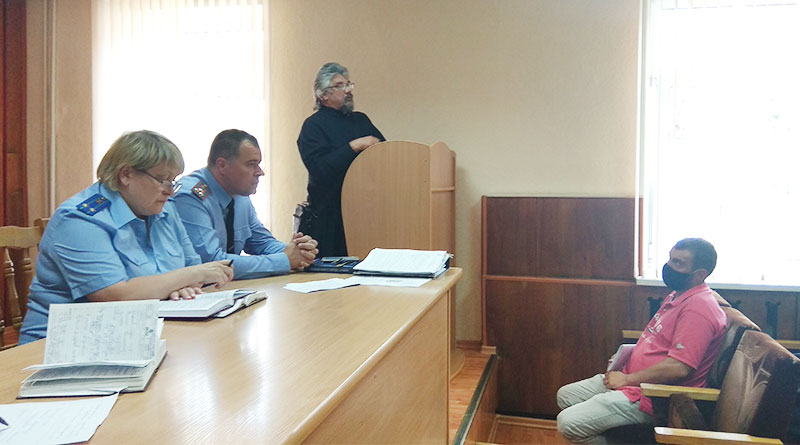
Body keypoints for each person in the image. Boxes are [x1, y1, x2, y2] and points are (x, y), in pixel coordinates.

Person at [19, 130, 234, 344]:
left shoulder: (164, 209)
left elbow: (191, 267)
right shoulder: (80, 219)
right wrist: (190, 276)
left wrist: (183, 285)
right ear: (126, 175)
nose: (170, 191)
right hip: (62, 344)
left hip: (142, 332)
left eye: (172, 181)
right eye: (162, 180)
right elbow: (116, 296)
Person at [556, 238, 727, 443]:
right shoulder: (677, 295)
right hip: (632, 379)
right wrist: (624, 357)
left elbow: (679, 367)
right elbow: (657, 340)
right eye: (670, 259)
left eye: (678, 263)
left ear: (700, 274)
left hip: (653, 396)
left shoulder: (698, 310)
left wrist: (627, 379)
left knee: (569, 423)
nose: (669, 267)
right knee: (566, 396)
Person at [173, 129, 318, 280]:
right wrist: (285, 260)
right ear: (222, 165)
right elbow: (211, 263)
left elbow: (261, 242)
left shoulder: (239, 195)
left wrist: (299, 251)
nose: (260, 172)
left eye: (258, 164)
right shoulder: (191, 197)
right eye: (251, 164)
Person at [296, 62, 385, 257]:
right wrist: (353, 146)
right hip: (329, 219)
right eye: (340, 85)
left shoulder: (361, 120)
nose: (348, 90)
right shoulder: (313, 126)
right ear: (323, 94)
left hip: (365, 213)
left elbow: (384, 153)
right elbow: (320, 169)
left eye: (349, 84)